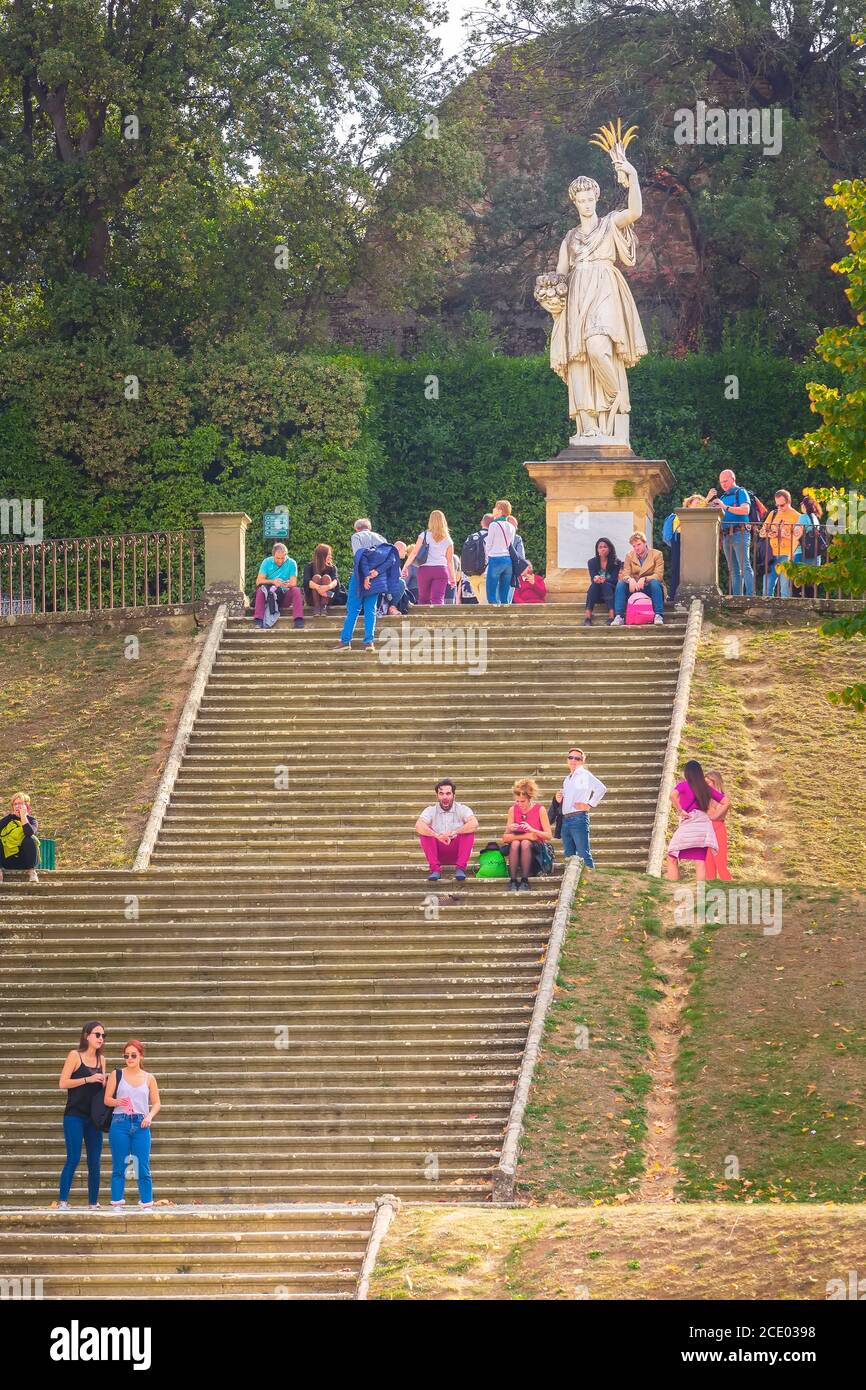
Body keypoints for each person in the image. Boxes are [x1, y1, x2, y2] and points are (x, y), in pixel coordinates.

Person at [104, 1040, 161, 1210]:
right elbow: (106, 1099)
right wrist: (117, 1101)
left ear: (141, 1056)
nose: (129, 1058)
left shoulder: (149, 1078)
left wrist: (149, 1116)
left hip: (141, 1123)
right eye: (126, 1055)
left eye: (133, 1055)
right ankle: (117, 1203)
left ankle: (146, 1204)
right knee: (119, 1165)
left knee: (142, 1165)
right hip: (120, 1121)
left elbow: (157, 1103)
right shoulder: (117, 1074)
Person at [58, 1022, 108, 1210]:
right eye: (97, 1034)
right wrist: (88, 1078)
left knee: (94, 1161)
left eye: (103, 1035)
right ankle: (63, 1201)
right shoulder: (74, 1055)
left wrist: (106, 1082)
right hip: (74, 1116)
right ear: (87, 1035)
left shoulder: (101, 1060)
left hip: (94, 1118)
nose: (101, 1038)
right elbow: (63, 1083)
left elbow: (100, 1089)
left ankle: (93, 1203)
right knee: (74, 1157)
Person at [665, 759, 730, 882]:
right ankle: (700, 889)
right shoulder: (706, 788)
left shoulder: (684, 785)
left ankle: (672, 886)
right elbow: (726, 801)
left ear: (687, 773)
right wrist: (715, 816)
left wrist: (680, 810)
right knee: (700, 860)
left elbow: (672, 796)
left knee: (672, 855)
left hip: (690, 823)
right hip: (704, 826)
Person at [337, 537, 407, 652]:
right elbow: (391, 560)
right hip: (376, 580)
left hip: (359, 578)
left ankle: (345, 641)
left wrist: (366, 576)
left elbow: (361, 558)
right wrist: (376, 572)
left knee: (353, 610)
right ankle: (369, 642)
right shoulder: (386, 545)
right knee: (370, 610)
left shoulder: (358, 538)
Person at [414, 780, 479, 883]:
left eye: (448, 793)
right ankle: (435, 870)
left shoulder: (462, 808)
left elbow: (474, 824)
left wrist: (454, 832)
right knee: (425, 831)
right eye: (441, 793)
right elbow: (418, 825)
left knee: (468, 830)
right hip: (438, 852)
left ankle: (460, 868)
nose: (445, 797)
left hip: (457, 852)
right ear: (437, 796)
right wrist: (437, 835)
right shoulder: (430, 810)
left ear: (454, 795)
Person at [555, 747, 606, 867]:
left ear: (582, 761)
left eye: (577, 758)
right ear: (567, 760)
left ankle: (591, 883)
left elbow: (601, 789)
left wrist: (589, 804)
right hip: (566, 819)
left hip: (578, 818)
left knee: (583, 854)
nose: (573, 760)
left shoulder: (584, 774)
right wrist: (559, 799)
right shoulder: (567, 779)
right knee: (569, 855)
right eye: (570, 757)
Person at [502, 778, 553, 892]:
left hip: (536, 851)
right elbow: (505, 838)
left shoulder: (540, 810)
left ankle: (525, 880)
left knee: (525, 843)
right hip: (516, 849)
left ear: (530, 798)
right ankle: (513, 880)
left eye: (523, 801)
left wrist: (532, 830)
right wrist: (511, 830)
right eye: (517, 801)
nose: (519, 804)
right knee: (515, 843)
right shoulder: (512, 810)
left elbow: (548, 836)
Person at [711, 468, 755, 597]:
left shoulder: (741, 492)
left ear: (733, 479)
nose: (723, 484)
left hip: (740, 532)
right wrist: (710, 501)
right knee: (733, 570)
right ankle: (737, 597)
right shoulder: (723, 496)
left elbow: (745, 510)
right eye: (721, 482)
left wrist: (725, 507)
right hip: (726, 535)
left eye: (726, 481)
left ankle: (750, 596)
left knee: (744, 566)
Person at [402, 510, 456, 605]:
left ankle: (423, 619)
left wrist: (405, 566)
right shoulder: (448, 540)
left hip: (425, 570)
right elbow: (450, 561)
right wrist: (452, 578)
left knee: (423, 599)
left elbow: (414, 553)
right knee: (438, 599)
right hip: (441, 570)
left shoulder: (424, 535)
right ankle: (438, 619)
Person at [612, 531, 666, 625]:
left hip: (650, 588)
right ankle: (619, 616)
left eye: (639, 544)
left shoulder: (657, 554)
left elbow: (659, 575)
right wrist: (630, 579)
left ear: (645, 543)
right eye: (634, 546)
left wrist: (644, 579)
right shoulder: (629, 555)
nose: (636, 548)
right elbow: (625, 574)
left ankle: (658, 615)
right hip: (634, 587)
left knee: (655, 583)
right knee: (621, 584)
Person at [759, 489, 803, 598]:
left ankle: (786, 613)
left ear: (789, 502)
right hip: (771, 555)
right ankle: (766, 612)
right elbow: (761, 532)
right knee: (766, 588)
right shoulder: (773, 513)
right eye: (777, 505)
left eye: (782, 505)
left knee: (785, 589)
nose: (779, 508)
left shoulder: (797, 516)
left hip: (787, 555)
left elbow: (799, 538)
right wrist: (770, 533)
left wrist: (784, 534)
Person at [253, 541, 304, 630]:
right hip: (269, 596)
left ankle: (298, 619)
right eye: (277, 558)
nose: (280, 561)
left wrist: (287, 584)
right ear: (273, 555)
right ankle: (258, 620)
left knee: (296, 590)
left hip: (284, 595)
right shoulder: (266, 562)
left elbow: (293, 583)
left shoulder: (292, 563)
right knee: (261, 590)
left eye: (282, 558)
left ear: (286, 555)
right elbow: (259, 581)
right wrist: (273, 581)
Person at [0, 792, 40, 883]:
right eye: (15, 804)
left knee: (29, 839)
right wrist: (11, 816)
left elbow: (29, 832)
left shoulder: (32, 820)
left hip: (25, 861)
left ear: (26, 805)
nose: (17, 806)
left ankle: (32, 872)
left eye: (20, 804)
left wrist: (23, 816)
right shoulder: (8, 819)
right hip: (7, 860)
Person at [485, 500, 517, 605]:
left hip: (495, 558)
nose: (493, 509)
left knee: (491, 589)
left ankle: (493, 612)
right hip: (508, 560)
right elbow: (510, 544)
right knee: (505, 591)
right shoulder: (512, 527)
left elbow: (489, 543)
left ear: (499, 510)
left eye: (495, 508)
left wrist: (488, 555)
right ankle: (505, 611)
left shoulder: (494, 525)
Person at [583, 537, 622, 625]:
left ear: (609, 549)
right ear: (597, 550)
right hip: (597, 593)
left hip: (610, 592)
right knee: (595, 584)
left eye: (605, 547)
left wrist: (604, 580)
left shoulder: (616, 562)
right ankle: (587, 617)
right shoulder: (592, 562)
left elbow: (614, 580)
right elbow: (592, 577)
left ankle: (612, 616)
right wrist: (597, 578)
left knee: (605, 584)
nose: (602, 549)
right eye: (600, 547)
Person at [703, 770, 731, 881]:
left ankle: (729, 888)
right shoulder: (706, 798)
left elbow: (713, 816)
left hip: (718, 829)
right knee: (708, 863)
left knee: (720, 862)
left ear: (716, 783)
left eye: (708, 783)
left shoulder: (724, 798)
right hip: (706, 830)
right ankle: (711, 891)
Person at [462, 513, 493, 605]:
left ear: (481, 523)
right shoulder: (493, 537)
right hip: (486, 574)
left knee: (481, 603)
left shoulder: (471, 537)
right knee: (485, 605)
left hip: (472, 575)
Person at [303, 544, 339, 615]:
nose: (330, 556)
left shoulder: (332, 567)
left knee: (326, 577)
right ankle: (317, 606)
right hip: (312, 597)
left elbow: (335, 581)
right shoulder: (309, 566)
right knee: (316, 577)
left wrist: (327, 587)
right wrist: (319, 588)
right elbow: (306, 582)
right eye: (328, 554)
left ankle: (323, 606)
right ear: (322, 555)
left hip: (329, 595)